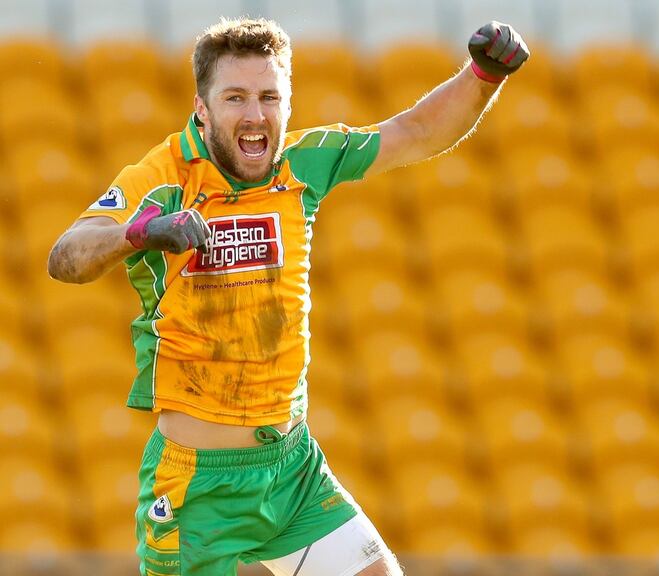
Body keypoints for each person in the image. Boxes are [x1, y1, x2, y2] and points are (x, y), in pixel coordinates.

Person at [47, 17, 528, 576]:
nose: (255, 115)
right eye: (235, 98)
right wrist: (140, 233)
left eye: (269, 97)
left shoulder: (302, 165)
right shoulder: (162, 178)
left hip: (293, 470)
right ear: (202, 108)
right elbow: (66, 256)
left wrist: (483, 75)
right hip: (196, 489)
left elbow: (417, 131)